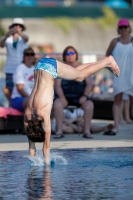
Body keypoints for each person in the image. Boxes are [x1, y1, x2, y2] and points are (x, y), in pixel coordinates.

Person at [24, 55, 120, 165]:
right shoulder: (28, 116)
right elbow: (31, 146)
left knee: (80, 77)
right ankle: (104, 63)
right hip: (40, 66)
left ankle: (108, 61)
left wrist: (46, 169)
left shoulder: (43, 115)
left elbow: (46, 149)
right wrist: (32, 162)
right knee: (75, 72)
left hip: (50, 68)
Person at [54, 46, 94, 139]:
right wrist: (63, 98)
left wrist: (84, 96)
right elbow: (57, 85)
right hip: (64, 96)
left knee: (89, 104)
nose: (70, 55)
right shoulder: (60, 67)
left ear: (76, 55)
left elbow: (89, 84)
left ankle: (87, 131)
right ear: (64, 56)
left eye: (72, 53)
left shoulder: (83, 67)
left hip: (80, 97)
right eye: (67, 53)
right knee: (57, 103)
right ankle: (59, 130)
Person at [106, 18, 133, 134]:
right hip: (118, 75)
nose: (123, 29)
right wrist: (111, 68)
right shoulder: (114, 42)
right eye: (121, 27)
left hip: (131, 75)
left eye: (125, 27)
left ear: (129, 28)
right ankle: (116, 126)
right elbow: (107, 56)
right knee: (117, 100)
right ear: (118, 29)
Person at [0, 18, 28, 102]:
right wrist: (7, 35)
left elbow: (26, 38)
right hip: (10, 68)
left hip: (21, 68)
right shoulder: (7, 37)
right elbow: (1, 45)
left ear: (22, 28)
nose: (17, 27)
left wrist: (17, 32)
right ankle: (12, 105)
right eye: (15, 25)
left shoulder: (24, 35)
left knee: (21, 88)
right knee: (9, 89)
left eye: (19, 26)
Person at [10, 47, 35, 112]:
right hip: (18, 99)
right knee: (31, 103)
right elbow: (20, 89)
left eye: (32, 54)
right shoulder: (20, 68)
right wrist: (31, 98)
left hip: (31, 98)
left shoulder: (35, 69)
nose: (30, 56)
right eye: (27, 54)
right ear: (24, 57)